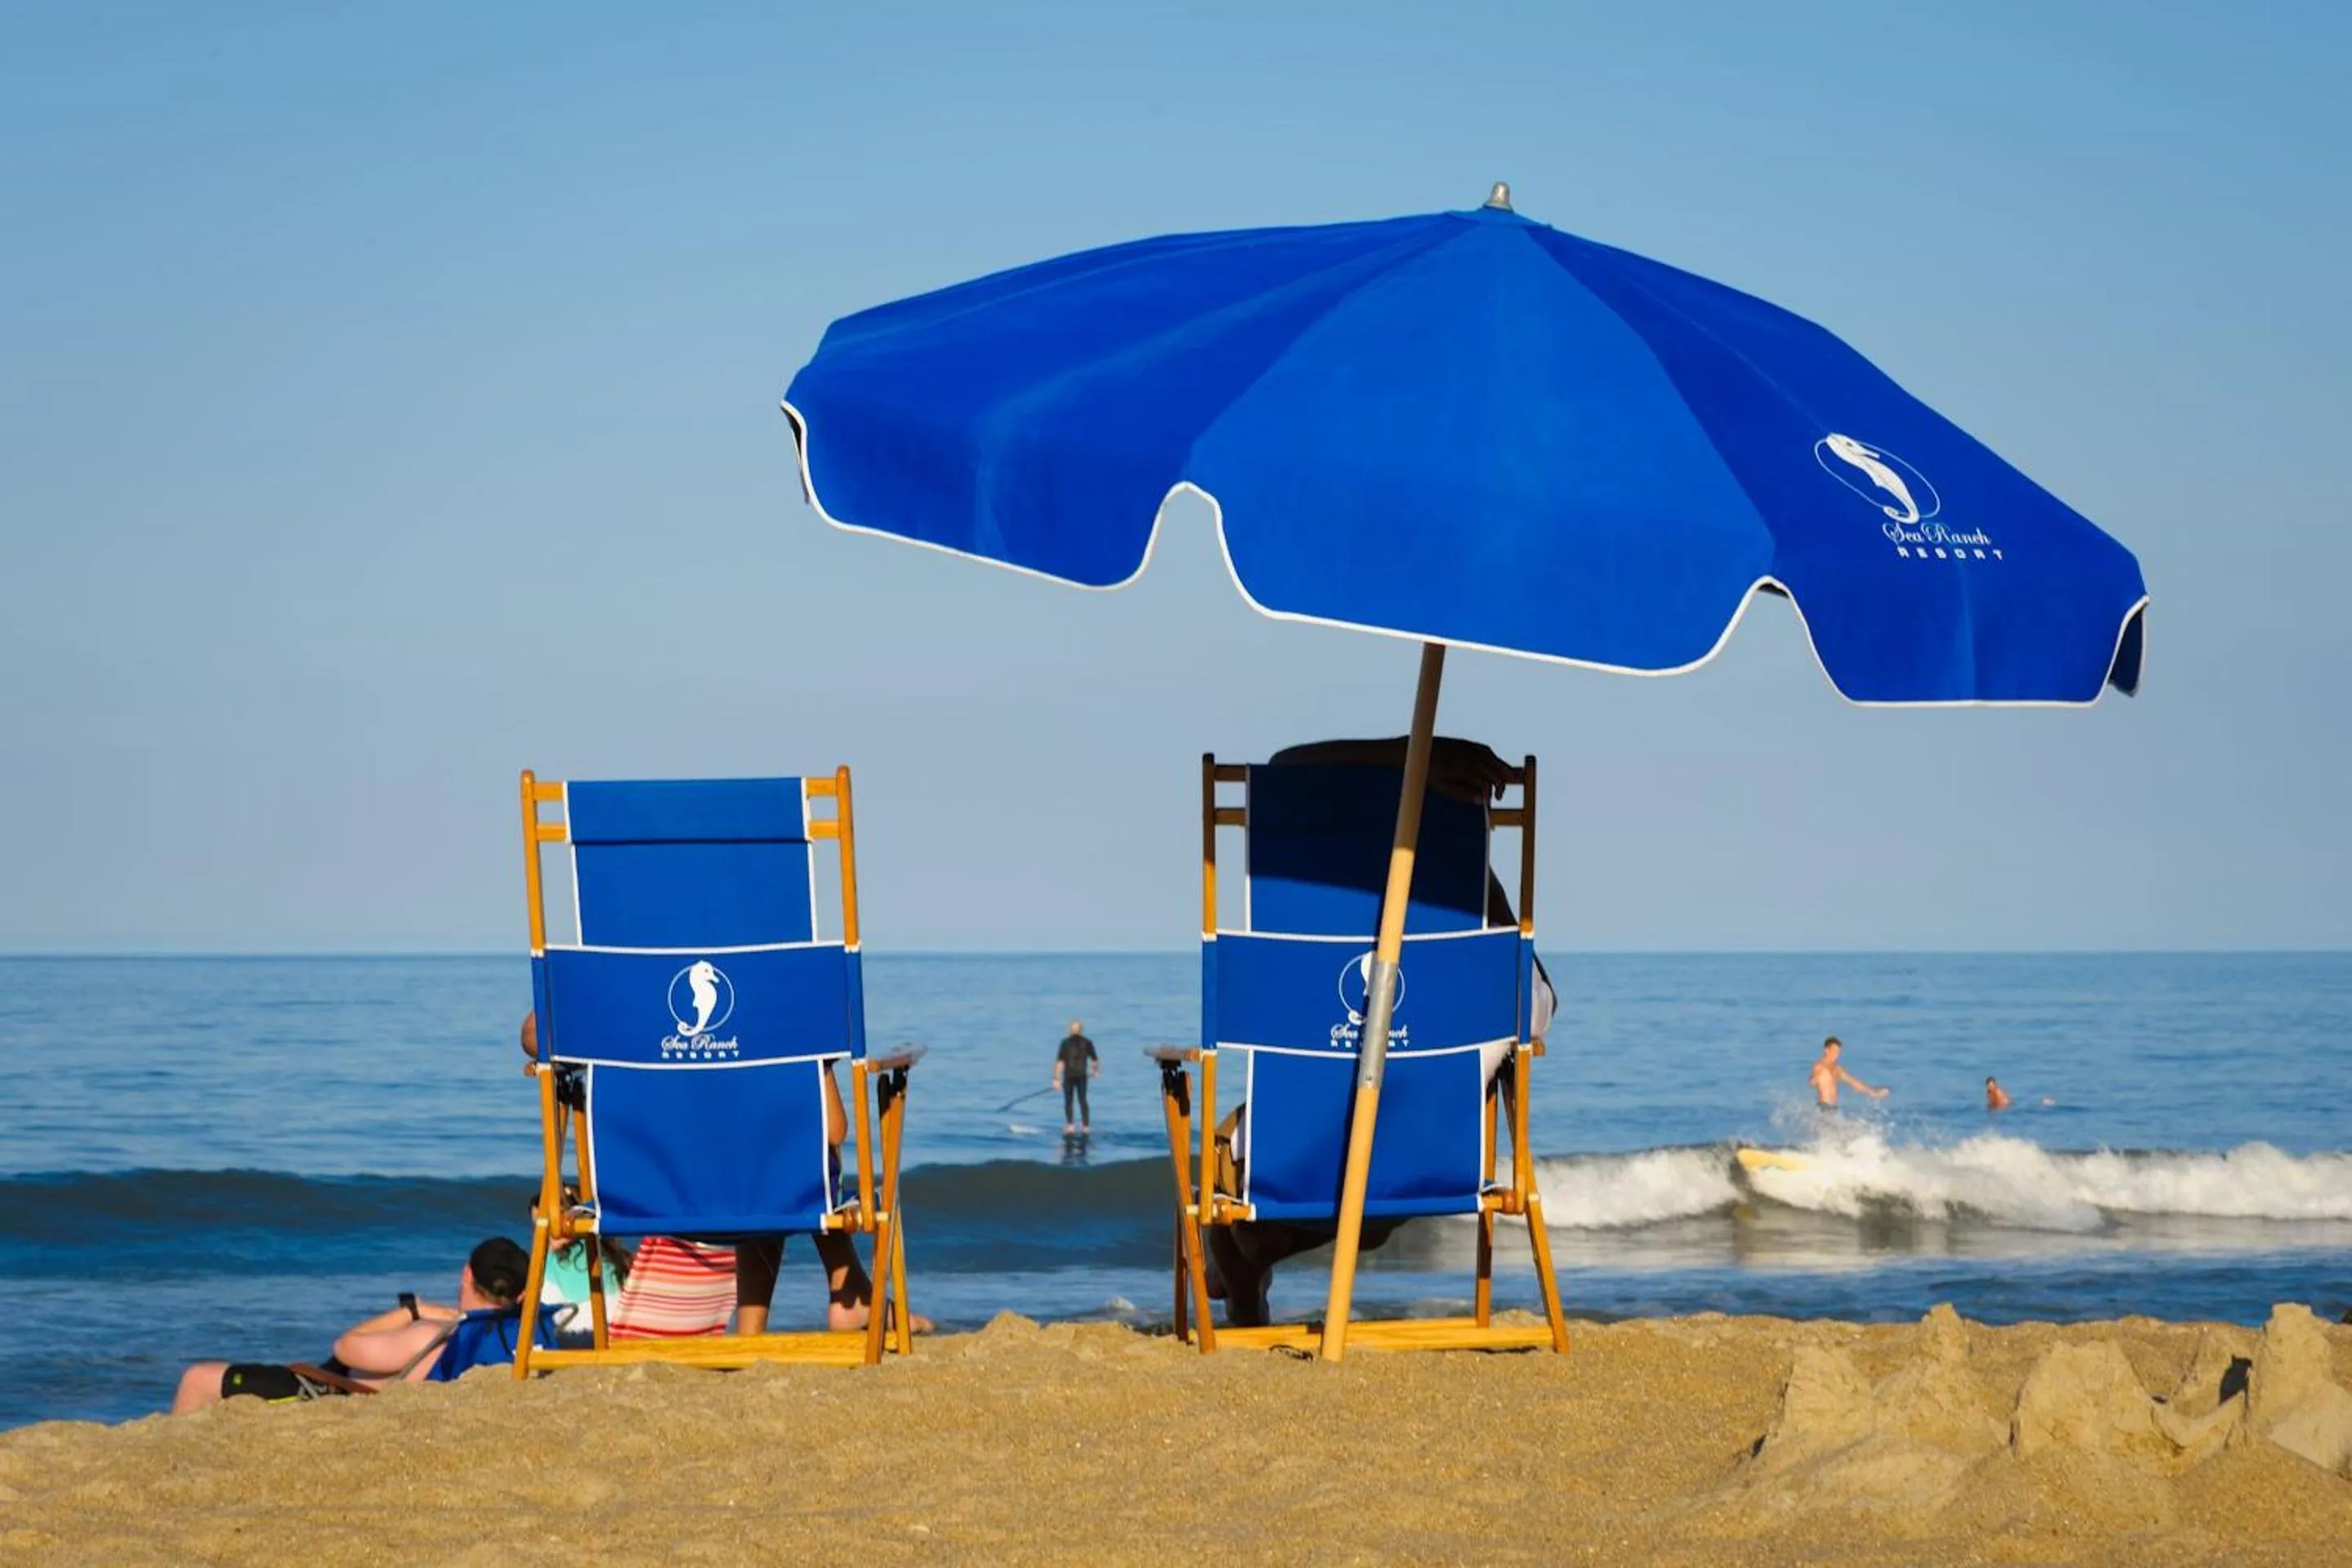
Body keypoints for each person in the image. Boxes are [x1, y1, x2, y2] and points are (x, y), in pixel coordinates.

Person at [1201, 735, 1554, 1326]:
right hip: (1430, 1149)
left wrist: (1411, 753)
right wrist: (1471, 860)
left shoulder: (1313, 952)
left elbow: (1285, 770)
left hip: (1294, 1144)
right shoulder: (1492, 987)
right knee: (1391, 1166)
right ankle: (1255, 1259)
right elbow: (1537, 1007)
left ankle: (1250, 1265)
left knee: (1239, 1144)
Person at [516, 1012, 918, 1337]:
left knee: (760, 1158)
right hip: (765, 1189)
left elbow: (533, 1034)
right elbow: (833, 1130)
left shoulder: (623, 992)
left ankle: (760, 1330)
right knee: (781, 1156)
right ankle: (848, 1291)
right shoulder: (788, 994)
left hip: (651, 1193)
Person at [171, 1238, 538, 1414]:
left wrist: (415, 1309)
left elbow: (345, 1347)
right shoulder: (510, 1337)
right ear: (520, 1297)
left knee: (198, 1378)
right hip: (354, 1388)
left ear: (467, 1274)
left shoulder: (435, 1333)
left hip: (331, 1392)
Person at [1810, 1036, 1889, 1110]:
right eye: (1834, 1051)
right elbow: (1812, 1080)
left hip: (1834, 1108)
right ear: (1826, 1050)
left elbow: (1853, 1082)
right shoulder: (1820, 1066)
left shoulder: (1838, 1069)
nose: (1836, 1055)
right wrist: (1814, 1080)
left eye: (1838, 1052)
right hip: (1823, 1107)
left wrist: (1873, 1093)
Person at [1054, 1019, 1099, 1134]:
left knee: (1069, 1100)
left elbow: (1060, 1062)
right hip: (1082, 1075)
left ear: (1070, 1030)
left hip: (1069, 1076)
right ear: (1081, 1030)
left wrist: (1056, 1079)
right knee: (1082, 1099)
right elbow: (1094, 1059)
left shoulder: (1065, 1043)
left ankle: (1070, 1126)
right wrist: (1095, 1072)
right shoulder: (1087, 1042)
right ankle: (1086, 1127)